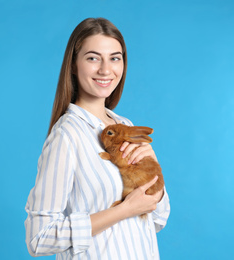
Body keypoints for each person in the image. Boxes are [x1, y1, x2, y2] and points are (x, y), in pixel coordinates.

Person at [24, 18, 170, 259]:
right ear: (73, 64)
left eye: (115, 58)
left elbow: (157, 218)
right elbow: (39, 239)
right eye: (93, 58)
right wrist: (123, 210)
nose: (105, 69)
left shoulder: (126, 126)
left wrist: (155, 176)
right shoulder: (67, 136)